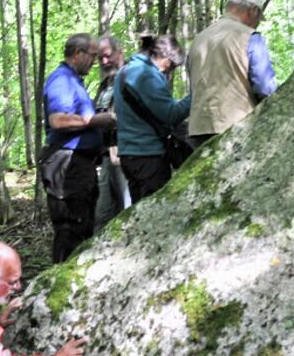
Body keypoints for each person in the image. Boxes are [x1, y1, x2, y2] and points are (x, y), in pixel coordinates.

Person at [42, 33, 115, 262]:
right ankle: (59, 282)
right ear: (77, 54)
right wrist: (96, 120)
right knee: (70, 228)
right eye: (92, 55)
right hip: (66, 166)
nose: (94, 61)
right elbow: (58, 120)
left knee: (83, 225)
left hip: (79, 165)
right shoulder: (61, 80)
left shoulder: (73, 81)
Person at [187, 0, 277, 149]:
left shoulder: (199, 39)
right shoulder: (250, 37)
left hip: (198, 129)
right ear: (252, 11)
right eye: (258, 18)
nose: (257, 24)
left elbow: (193, 87)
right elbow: (265, 88)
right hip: (235, 127)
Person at [113, 34, 192, 203]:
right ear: (164, 56)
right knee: (155, 210)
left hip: (131, 155)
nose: (168, 71)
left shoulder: (125, 71)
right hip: (148, 156)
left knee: (140, 211)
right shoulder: (144, 74)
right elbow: (171, 114)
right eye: (171, 65)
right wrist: (198, 95)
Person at [93, 35, 132, 230]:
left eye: (107, 56)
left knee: (128, 209)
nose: (104, 62)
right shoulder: (105, 85)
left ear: (119, 52)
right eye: (100, 59)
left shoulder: (132, 75)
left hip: (126, 152)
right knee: (103, 214)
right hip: (106, 154)